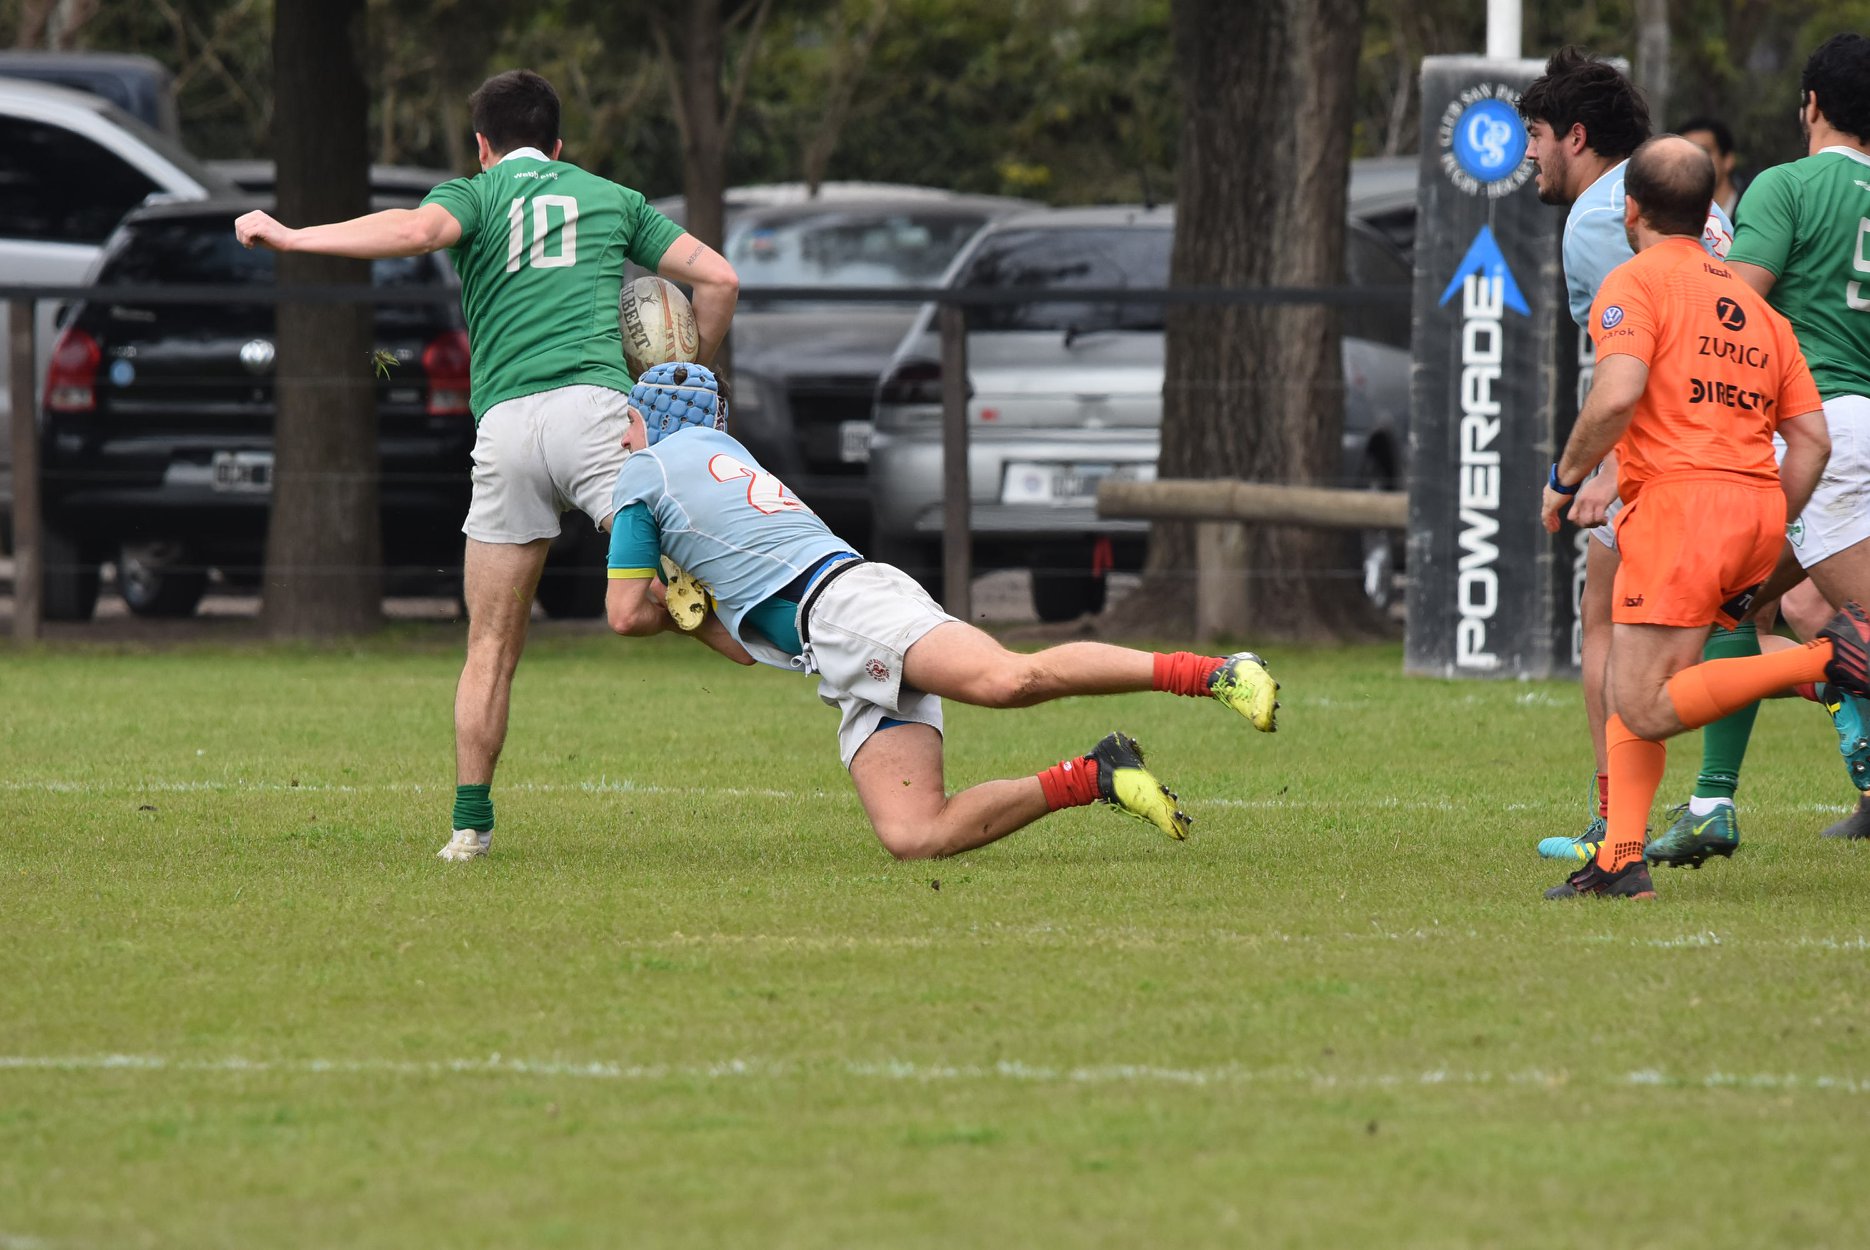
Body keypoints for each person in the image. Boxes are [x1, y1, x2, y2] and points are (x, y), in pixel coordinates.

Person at [234, 69, 741, 861]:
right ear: (559, 144)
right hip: (597, 416)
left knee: (491, 646)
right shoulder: (611, 197)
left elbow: (410, 232)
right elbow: (718, 277)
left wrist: (294, 237)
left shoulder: (473, 196)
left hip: (504, 429)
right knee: (670, 582)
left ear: (482, 146)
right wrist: (689, 372)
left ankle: (469, 828)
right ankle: (782, 645)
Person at [601, 362, 1282, 858]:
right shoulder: (715, 458)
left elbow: (624, 613)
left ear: (655, 418)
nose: (623, 440)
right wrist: (693, 617)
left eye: (628, 424)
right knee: (916, 834)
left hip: (848, 611)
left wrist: (663, 604)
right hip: (837, 641)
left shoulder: (647, 470)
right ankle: (1098, 774)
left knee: (1008, 680)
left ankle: (1217, 673)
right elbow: (739, 648)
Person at [1536, 135, 1861, 899]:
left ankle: (1826, 662)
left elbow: (1617, 395)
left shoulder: (1634, 282)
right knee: (1633, 669)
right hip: (1753, 509)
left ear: (1632, 209)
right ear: (1711, 210)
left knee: (1642, 704)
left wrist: (1565, 475)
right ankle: (1620, 859)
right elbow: (1809, 441)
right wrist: (1767, 524)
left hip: (1681, 508)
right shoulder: (1757, 307)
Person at [1518, 49, 1741, 869]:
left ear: (1576, 136)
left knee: (1609, 625)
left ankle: (1615, 823)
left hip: (1672, 447)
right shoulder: (1688, 198)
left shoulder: (1596, 221)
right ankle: (1710, 799)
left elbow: (1642, 364)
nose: (1529, 155)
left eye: (1536, 134)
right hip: (1744, 433)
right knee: (1744, 619)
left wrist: (1604, 471)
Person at [1720, 33, 1870, 842]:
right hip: (1858, 428)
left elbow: (1734, 307)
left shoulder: (1785, 186)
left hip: (1822, 433)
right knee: (1767, 604)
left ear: (1809, 104)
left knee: (1734, 605)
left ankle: (1698, 804)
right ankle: (1712, 803)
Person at [1678, 115, 1744, 217]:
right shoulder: (1677, 219)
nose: (1693, 162)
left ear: (1728, 160)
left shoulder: (1752, 212)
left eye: (1703, 152)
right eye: (1685, 154)